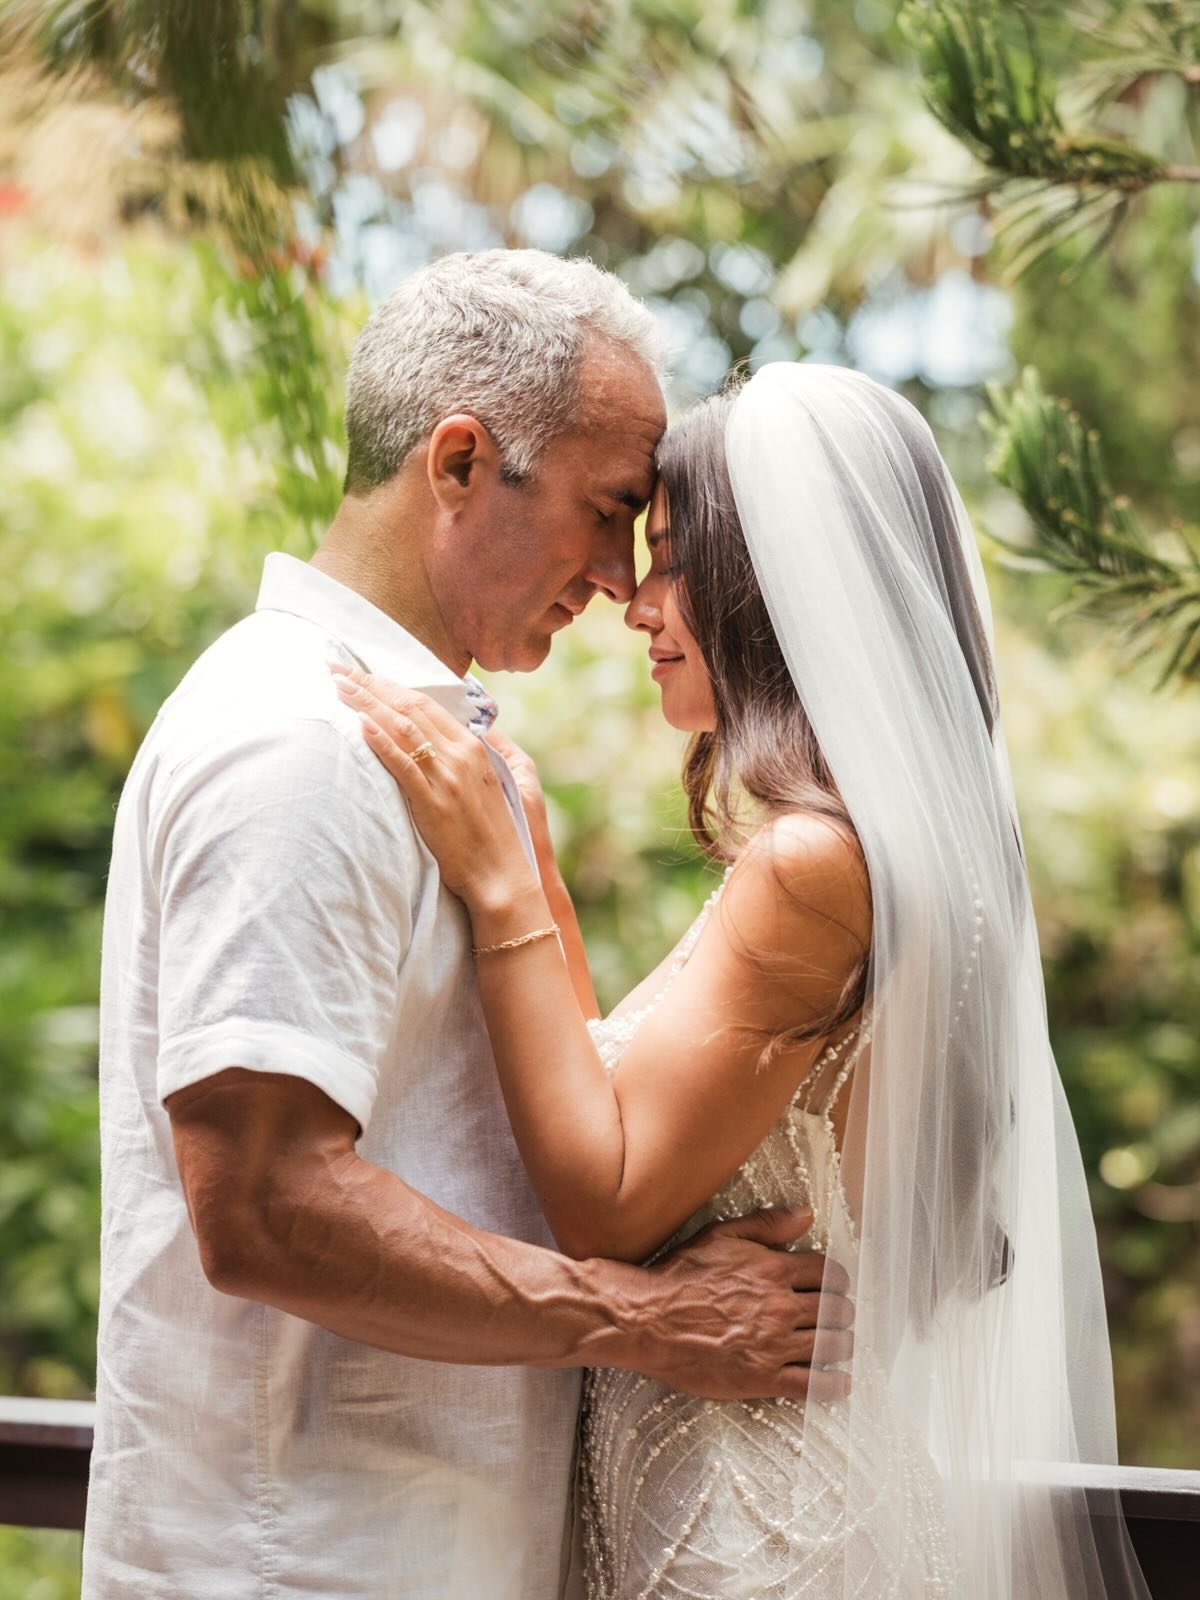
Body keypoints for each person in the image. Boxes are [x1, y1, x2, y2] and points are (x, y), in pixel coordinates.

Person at [81, 255, 851, 1600]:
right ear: (457, 464)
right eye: (612, 512)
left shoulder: (424, 755)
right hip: (306, 1561)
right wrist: (653, 1325)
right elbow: (264, 1206)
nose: (623, 580)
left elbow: (528, 1145)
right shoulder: (305, 747)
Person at [338, 363, 1153, 1599]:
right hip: (751, 1484)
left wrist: (500, 889)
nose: (636, 602)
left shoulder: (815, 865)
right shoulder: (865, 848)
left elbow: (605, 1201)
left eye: (670, 558)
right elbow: (644, 1121)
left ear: (770, 588)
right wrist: (542, 872)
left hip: (751, 1525)